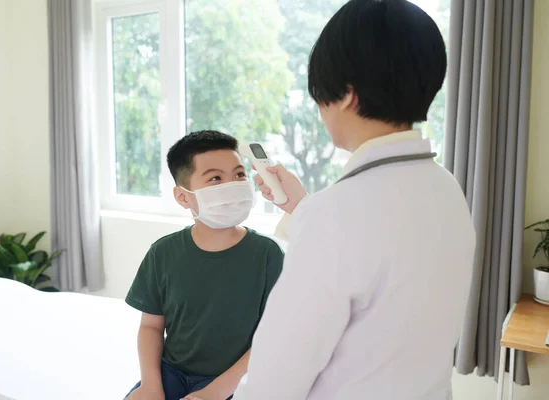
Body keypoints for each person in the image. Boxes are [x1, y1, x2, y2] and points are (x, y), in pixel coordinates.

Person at [233, 1, 476, 399]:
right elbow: (381, 257)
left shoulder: (337, 215)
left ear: (345, 92)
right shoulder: (447, 190)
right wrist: (304, 208)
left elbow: (274, 381)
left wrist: (315, 214)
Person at [124, 131, 284, 400]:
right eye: (215, 178)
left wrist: (214, 393)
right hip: (171, 372)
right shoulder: (163, 253)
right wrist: (151, 386)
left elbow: (272, 336)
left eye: (239, 175)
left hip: (235, 378)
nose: (232, 185)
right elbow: (151, 326)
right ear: (183, 197)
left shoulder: (267, 255)